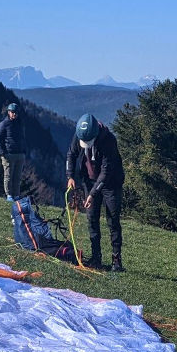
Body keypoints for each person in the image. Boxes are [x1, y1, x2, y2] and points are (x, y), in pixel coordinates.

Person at [65, 113, 125, 272]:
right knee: (92, 218)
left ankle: (116, 260)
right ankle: (96, 257)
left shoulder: (109, 141)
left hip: (111, 183)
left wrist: (92, 194)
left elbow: (106, 172)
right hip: (89, 180)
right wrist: (70, 176)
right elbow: (71, 154)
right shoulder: (79, 135)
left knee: (113, 220)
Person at [0, 102, 25, 198]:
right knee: (8, 176)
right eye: (12, 112)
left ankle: (16, 195)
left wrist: (24, 151)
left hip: (20, 154)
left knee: (17, 177)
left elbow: (22, 138)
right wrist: (3, 153)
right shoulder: (4, 124)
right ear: (8, 112)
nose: (14, 114)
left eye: (16, 112)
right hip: (9, 154)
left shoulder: (19, 123)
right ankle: (9, 195)